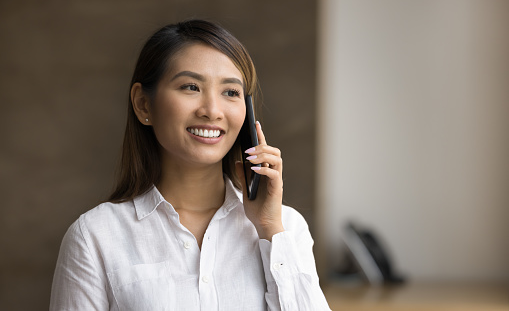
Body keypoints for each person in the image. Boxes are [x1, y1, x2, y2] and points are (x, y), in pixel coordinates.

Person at [50, 19, 331, 310]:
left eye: (231, 92)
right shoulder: (95, 236)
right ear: (143, 104)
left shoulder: (287, 228)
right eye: (190, 86)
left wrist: (269, 228)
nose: (212, 110)